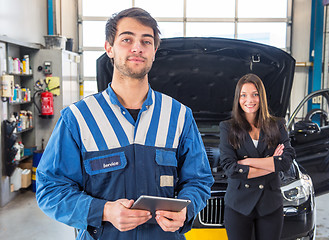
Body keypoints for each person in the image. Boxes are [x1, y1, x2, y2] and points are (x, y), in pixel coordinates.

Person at [36, 7, 214, 240]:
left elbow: (198, 180)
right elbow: (51, 190)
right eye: (127, 39)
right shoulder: (78, 118)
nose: (137, 47)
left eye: (146, 41)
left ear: (154, 51)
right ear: (109, 48)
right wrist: (104, 211)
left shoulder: (178, 115)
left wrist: (187, 209)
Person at [219, 73, 295, 240]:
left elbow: (286, 161)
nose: (249, 100)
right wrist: (272, 163)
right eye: (243, 95)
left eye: (255, 94)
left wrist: (248, 162)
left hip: (270, 204)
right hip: (238, 205)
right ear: (238, 98)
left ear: (262, 97)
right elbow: (231, 169)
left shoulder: (277, 125)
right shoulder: (227, 128)